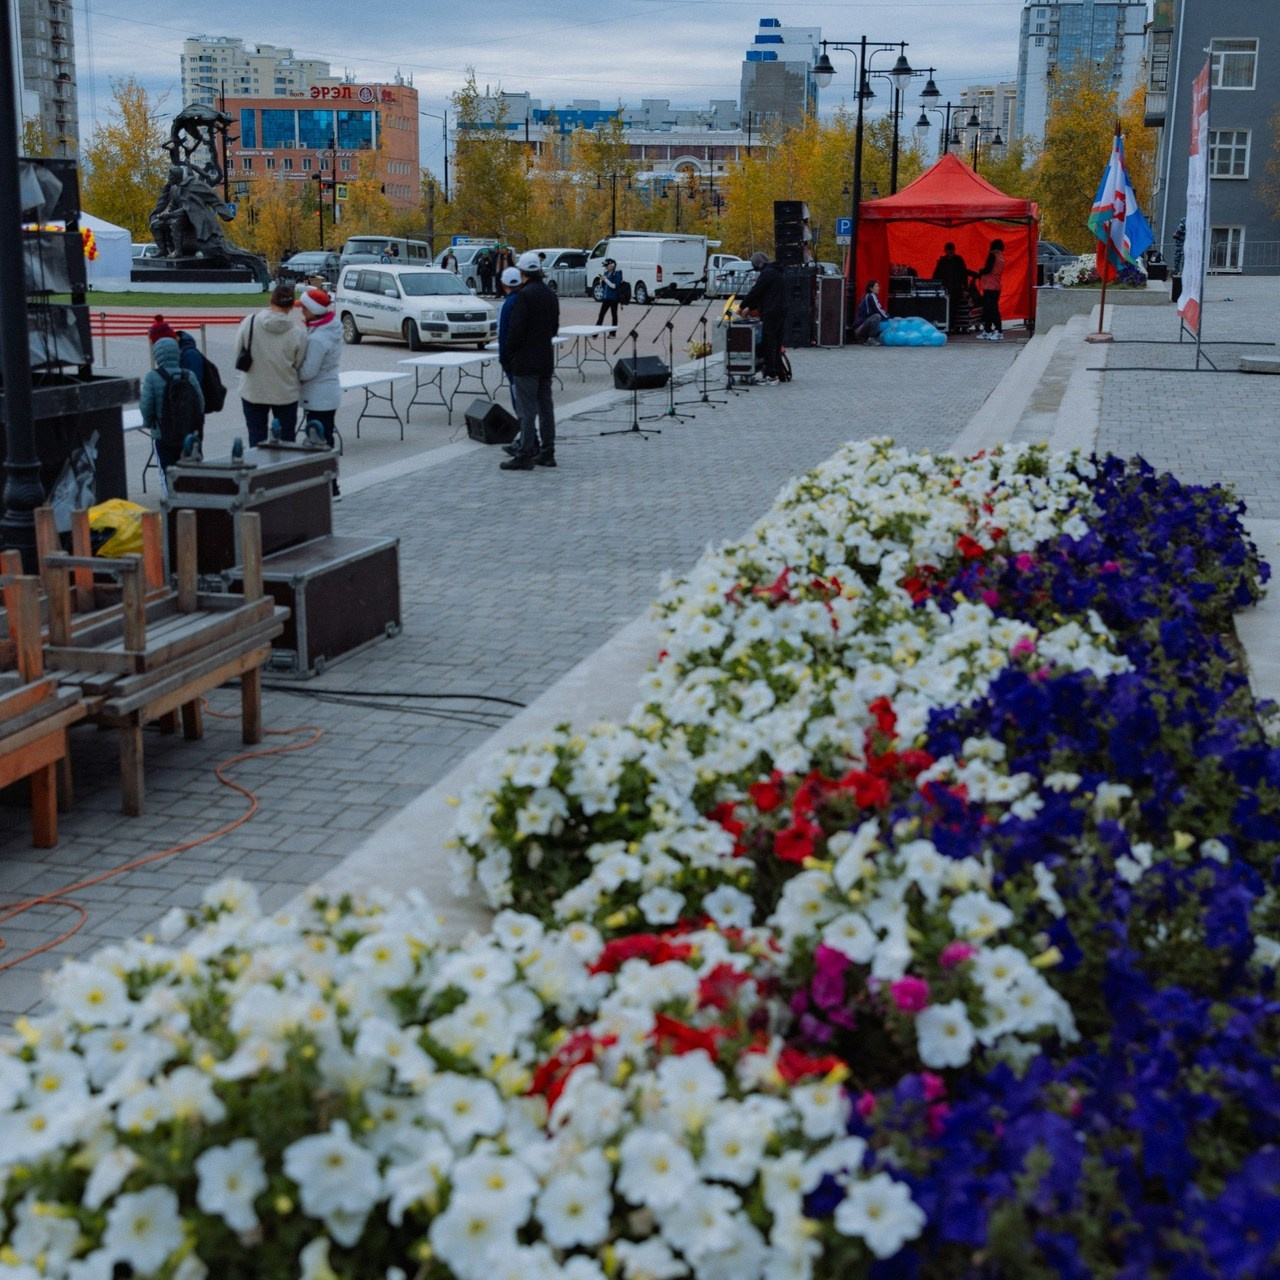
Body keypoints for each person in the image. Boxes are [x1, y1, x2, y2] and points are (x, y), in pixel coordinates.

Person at [500, 251, 560, 471]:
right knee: (546, 408)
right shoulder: (550, 294)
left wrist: (510, 354)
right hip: (545, 358)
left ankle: (525, 454)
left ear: (522, 272)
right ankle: (548, 452)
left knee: (526, 411)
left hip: (525, 362)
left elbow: (516, 330)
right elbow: (554, 328)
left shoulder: (524, 296)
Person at [233, 282, 308, 445]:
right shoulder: (297, 333)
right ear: (291, 306)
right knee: (287, 439)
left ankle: (260, 468)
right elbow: (298, 362)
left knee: (256, 438)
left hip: (254, 389)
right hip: (285, 391)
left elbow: (238, 349)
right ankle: (285, 470)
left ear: (271, 301)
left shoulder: (250, 322)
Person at [297, 287, 343, 497]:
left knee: (319, 442)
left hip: (318, 396)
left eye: (304, 309)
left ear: (314, 311)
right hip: (327, 392)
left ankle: (329, 487)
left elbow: (308, 371)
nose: (301, 313)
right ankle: (329, 485)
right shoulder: (329, 328)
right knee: (325, 440)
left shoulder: (318, 338)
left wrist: (292, 368)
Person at [140, 335, 204, 474]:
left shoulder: (152, 377)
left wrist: (149, 424)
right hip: (188, 433)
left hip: (163, 435)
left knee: (169, 476)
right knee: (191, 473)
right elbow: (200, 403)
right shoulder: (189, 375)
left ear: (157, 355)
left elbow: (146, 407)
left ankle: (172, 496)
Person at [737, 251, 788, 384]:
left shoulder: (767, 273)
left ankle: (770, 375)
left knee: (769, 343)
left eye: (754, 265)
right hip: (780, 311)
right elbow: (765, 293)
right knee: (776, 343)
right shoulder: (777, 271)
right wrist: (751, 307)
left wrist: (742, 306)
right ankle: (777, 372)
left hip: (771, 312)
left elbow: (757, 291)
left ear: (758, 263)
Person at [496, 265, 523, 408]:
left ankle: (524, 428)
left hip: (513, 359)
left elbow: (502, 333)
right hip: (533, 357)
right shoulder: (529, 300)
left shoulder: (505, 306)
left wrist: (503, 359)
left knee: (518, 399)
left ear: (503, 284)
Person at [931, 242, 970, 334]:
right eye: (948, 250)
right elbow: (936, 275)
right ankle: (947, 326)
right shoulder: (942, 261)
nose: (950, 252)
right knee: (945, 308)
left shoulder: (958, 260)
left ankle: (951, 326)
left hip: (955, 289)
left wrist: (965, 289)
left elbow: (964, 275)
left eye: (951, 250)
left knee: (953, 308)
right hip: (944, 289)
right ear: (946, 251)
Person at [974, 238, 1006, 340]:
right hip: (996, 285)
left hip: (989, 286)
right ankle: (987, 330)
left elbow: (988, 269)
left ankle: (998, 331)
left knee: (992, 309)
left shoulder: (992, 255)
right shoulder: (1001, 257)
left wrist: (980, 271)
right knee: (989, 309)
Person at [853, 279, 889, 345]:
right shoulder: (870, 296)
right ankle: (870, 338)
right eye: (876, 286)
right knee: (877, 316)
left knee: (877, 316)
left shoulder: (867, 296)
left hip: (861, 326)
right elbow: (877, 310)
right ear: (871, 288)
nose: (878, 288)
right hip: (860, 327)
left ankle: (864, 339)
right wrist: (887, 318)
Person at [595, 258, 623, 329]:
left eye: (607, 266)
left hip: (614, 298)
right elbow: (604, 286)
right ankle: (596, 332)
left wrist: (605, 280)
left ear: (612, 265)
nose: (606, 267)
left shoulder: (617, 274)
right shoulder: (606, 273)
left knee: (614, 315)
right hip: (606, 297)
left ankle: (612, 333)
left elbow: (614, 286)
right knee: (601, 314)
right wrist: (602, 281)